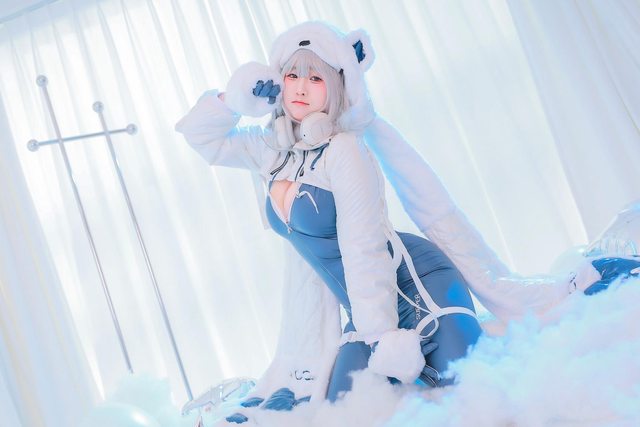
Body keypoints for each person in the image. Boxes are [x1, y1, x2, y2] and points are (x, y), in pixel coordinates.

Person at [176, 21, 639, 424]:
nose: (300, 86)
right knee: (343, 413)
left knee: (477, 394)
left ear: (337, 86)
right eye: (291, 74)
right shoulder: (268, 148)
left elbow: (362, 247)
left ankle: (587, 285)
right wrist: (232, 97)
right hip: (365, 311)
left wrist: (384, 338)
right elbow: (202, 138)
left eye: (315, 77)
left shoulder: (344, 151)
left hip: (418, 287)